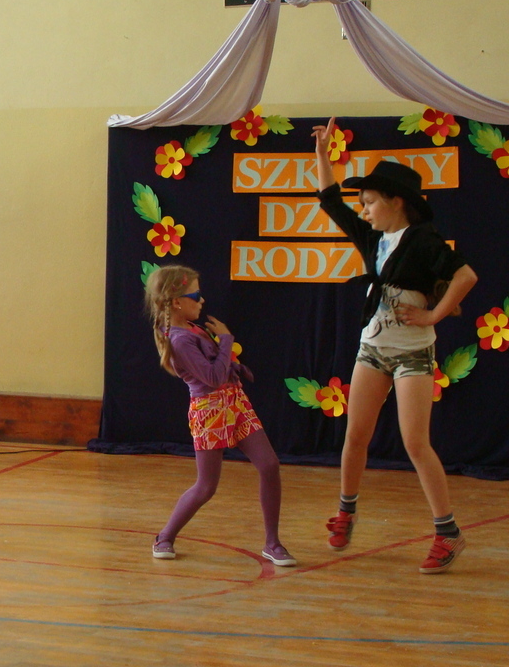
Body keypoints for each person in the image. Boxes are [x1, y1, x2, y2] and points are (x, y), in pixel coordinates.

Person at [313, 117, 478, 574]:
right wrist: (323, 155)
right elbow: (330, 200)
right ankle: (346, 510)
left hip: (413, 353)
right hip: (372, 349)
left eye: (369, 202)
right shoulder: (373, 239)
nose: (364, 211)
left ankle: (448, 532)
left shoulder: (423, 240)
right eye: (362, 204)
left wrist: (433, 314)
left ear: (396, 201)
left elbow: (465, 276)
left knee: (415, 442)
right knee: (355, 436)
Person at [145, 265, 295, 566]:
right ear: (177, 301)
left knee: (269, 465)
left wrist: (233, 367)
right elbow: (211, 378)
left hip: (235, 404)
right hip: (210, 411)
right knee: (206, 486)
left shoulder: (193, 329)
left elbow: (215, 367)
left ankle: (272, 543)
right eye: (195, 296)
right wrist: (225, 339)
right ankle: (165, 536)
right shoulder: (180, 339)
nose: (202, 301)